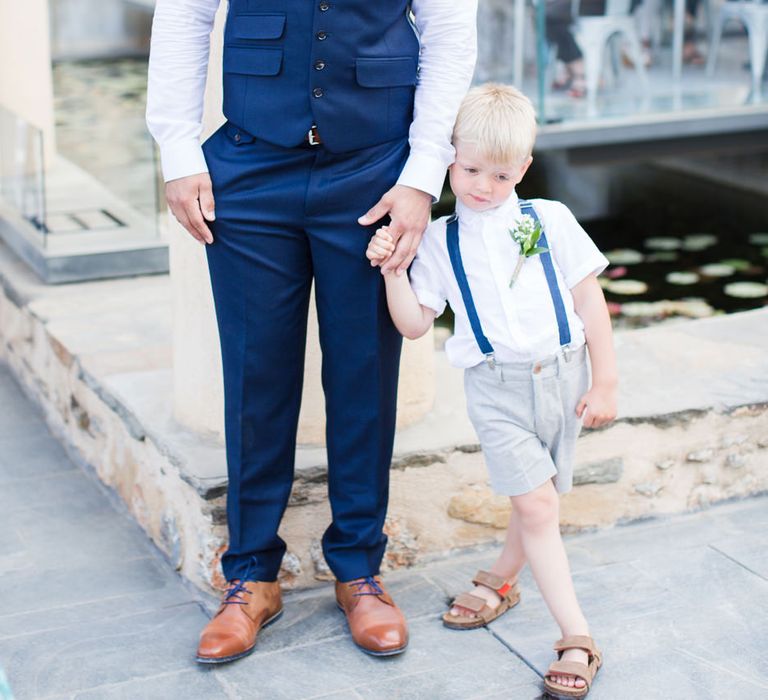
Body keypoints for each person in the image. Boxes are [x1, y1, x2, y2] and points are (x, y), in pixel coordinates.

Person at [146, 0, 478, 663]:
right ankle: (250, 576)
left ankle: (358, 567)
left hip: (375, 167)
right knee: (255, 375)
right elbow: (183, 14)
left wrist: (420, 176)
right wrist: (177, 149)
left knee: (363, 375)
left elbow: (449, 31)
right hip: (248, 164)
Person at [366, 83, 617, 698]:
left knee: (538, 499)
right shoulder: (440, 239)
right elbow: (414, 323)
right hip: (496, 388)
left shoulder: (549, 220)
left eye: (500, 175)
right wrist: (395, 270)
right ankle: (577, 635)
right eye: (471, 169)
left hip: (564, 376)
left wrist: (606, 378)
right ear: (450, 156)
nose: (481, 185)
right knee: (536, 504)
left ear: (523, 169)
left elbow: (589, 301)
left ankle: (501, 579)